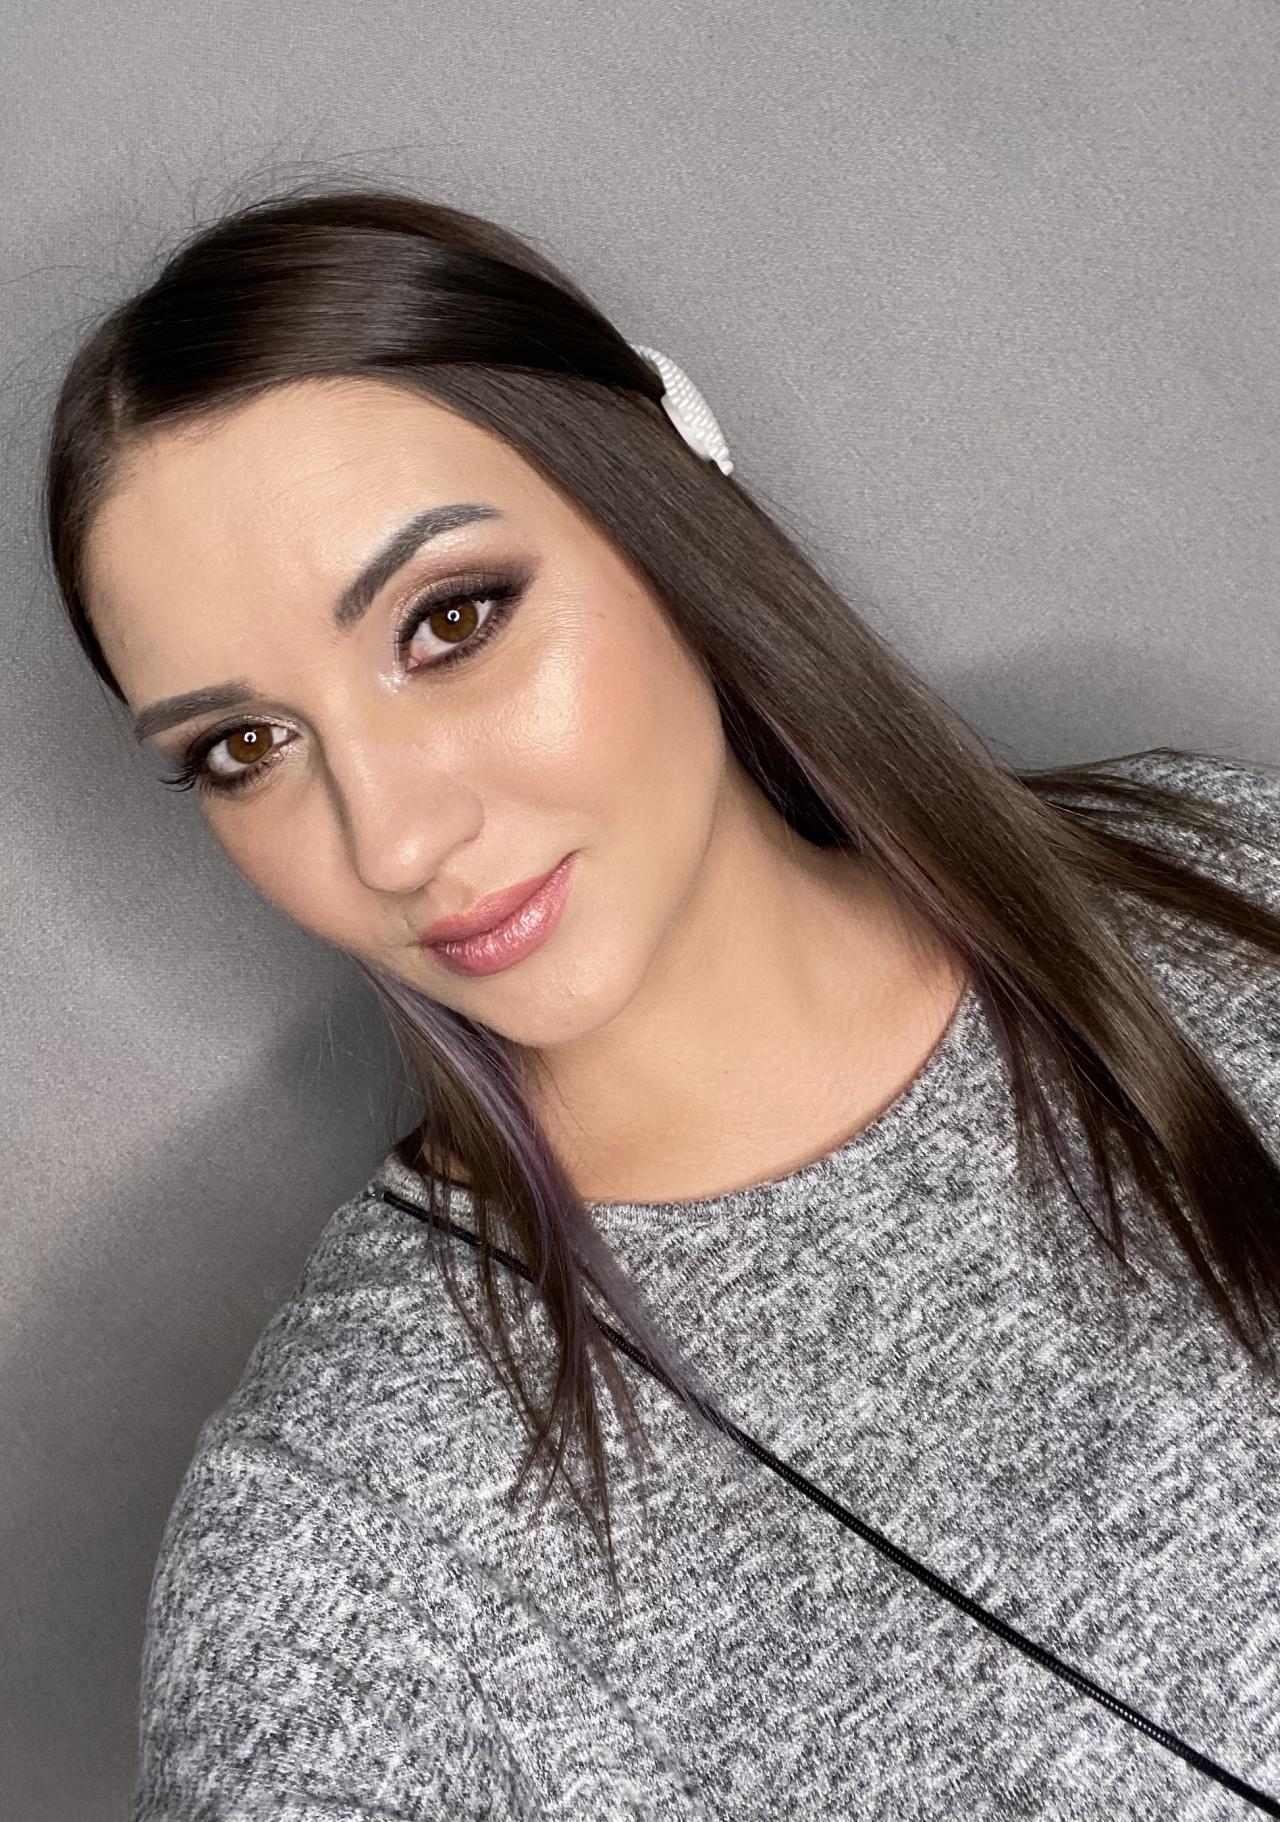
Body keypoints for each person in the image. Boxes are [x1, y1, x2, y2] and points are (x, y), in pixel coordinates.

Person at [43, 185, 1280, 1820]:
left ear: (661, 496)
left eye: (450, 621)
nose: (393, 836)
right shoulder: (339, 1559)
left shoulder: (1232, 878)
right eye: (244, 747)